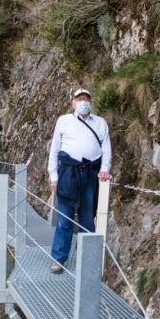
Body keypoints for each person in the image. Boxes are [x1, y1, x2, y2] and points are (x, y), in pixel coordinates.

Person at [48, 88, 112, 274]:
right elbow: (54, 149)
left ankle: (85, 260)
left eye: (86, 98)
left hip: (90, 173)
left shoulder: (100, 123)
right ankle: (58, 259)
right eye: (79, 98)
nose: (83, 101)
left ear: (91, 102)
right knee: (65, 217)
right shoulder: (63, 120)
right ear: (73, 103)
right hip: (68, 172)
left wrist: (104, 169)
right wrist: (54, 176)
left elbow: (106, 148)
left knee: (87, 218)